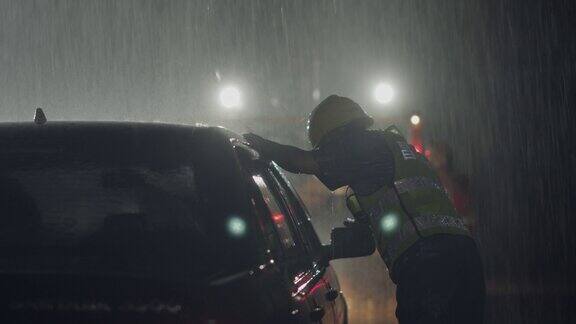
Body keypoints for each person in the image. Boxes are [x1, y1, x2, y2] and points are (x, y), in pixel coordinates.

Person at [244, 95, 485, 324]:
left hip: (428, 264)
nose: (328, 155)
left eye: (327, 148)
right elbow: (394, 215)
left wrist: (261, 146)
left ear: (339, 136)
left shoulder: (363, 147)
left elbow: (302, 162)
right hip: (465, 258)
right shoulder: (395, 152)